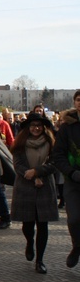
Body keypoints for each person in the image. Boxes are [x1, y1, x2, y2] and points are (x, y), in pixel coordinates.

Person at [11, 112, 59, 274]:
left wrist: (38, 172)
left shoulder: (51, 142)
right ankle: (29, 241)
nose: (36, 128)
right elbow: (18, 165)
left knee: (43, 224)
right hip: (25, 185)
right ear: (28, 128)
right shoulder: (20, 143)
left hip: (45, 185)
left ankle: (40, 260)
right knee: (28, 224)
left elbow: (55, 163)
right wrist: (30, 175)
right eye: (33, 125)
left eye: (39, 125)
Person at [52, 90, 80, 269]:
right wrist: (70, 172)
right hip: (73, 179)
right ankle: (77, 245)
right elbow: (58, 154)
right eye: (78, 100)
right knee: (74, 219)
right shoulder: (67, 127)